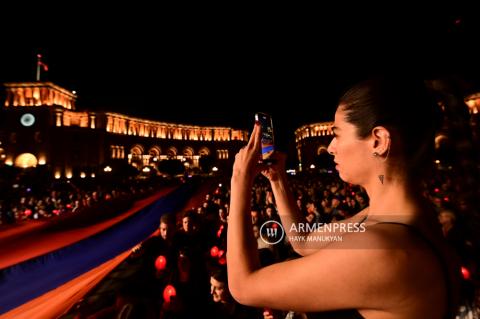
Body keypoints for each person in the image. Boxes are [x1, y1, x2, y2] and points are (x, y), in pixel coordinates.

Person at [227, 76, 461, 318]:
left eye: (337, 134)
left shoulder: (380, 247)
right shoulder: (395, 219)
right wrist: (277, 180)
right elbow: (304, 241)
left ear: (379, 141)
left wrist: (239, 180)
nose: (330, 148)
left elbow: (244, 286)